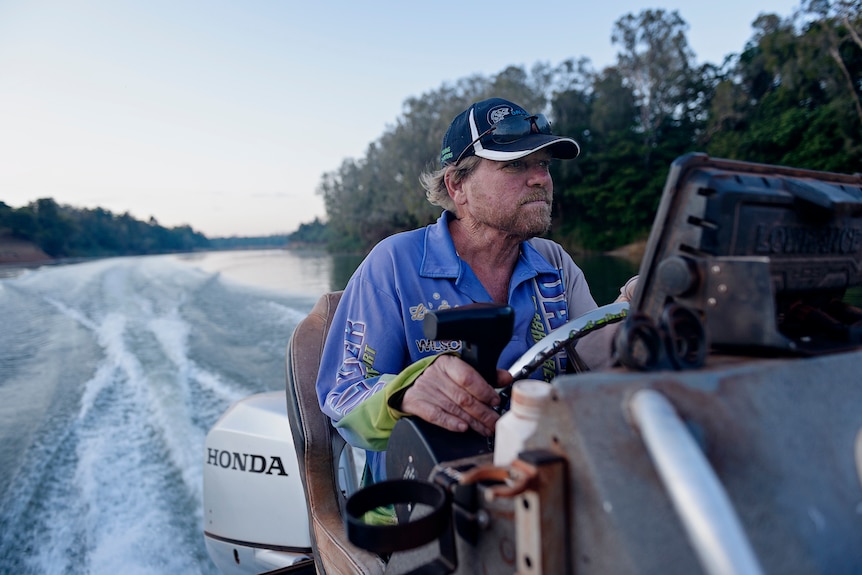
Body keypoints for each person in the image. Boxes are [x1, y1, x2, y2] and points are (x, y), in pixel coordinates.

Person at [316, 97, 634, 488]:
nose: (540, 178)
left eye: (543, 165)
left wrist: (641, 310)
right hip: (421, 506)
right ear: (458, 185)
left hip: (544, 482)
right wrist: (406, 392)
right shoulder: (394, 263)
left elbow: (598, 356)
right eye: (516, 165)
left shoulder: (554, 263)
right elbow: (342, 395)